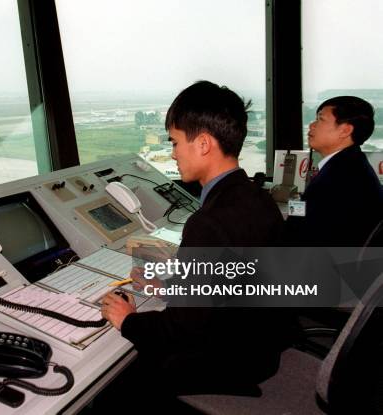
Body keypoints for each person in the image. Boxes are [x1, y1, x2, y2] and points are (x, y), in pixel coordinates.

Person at [99, 81, 292, 403]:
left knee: (113, 390)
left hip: (231, 359)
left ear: (202, 144)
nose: (173, 154)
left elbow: (182, 330)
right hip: (260, 342)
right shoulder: (256, 197)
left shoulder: (209, 223)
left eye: (174, 142)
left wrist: (128, 319)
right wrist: (170, 287)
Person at [286, 96, 383, 247]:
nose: (311, 125)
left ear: (345, 130)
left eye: (320, 119)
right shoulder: (351, 165)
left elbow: (300, 234)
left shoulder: (339, 178)